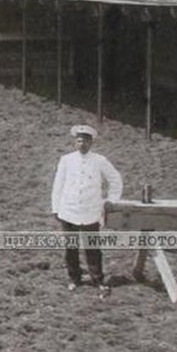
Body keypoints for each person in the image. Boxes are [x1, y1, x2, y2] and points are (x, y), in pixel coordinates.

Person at [51, 124, 122, 297]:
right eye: (79, 140)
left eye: (86, 141)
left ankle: (98, 279)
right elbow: (58, 184)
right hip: (68, 211)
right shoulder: (66, 160)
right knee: (71, 248)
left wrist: (111, 200)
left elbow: (115, 179)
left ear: (91, 143)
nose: (82, 144)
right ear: (75, 142)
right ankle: (74, 278)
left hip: (90, 212)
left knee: (92, 248)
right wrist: (56, 207)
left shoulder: (99, 161)